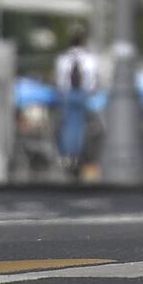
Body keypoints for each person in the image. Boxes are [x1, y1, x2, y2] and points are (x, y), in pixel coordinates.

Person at [52, 28, 98, 179]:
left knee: (68, 125)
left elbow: (59, 79)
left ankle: (69, 155)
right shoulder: (90, 59)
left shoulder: (63, 59)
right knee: (80, 125)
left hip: (67, 94)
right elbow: (93, 79)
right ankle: (77, 154)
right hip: (83, 94)